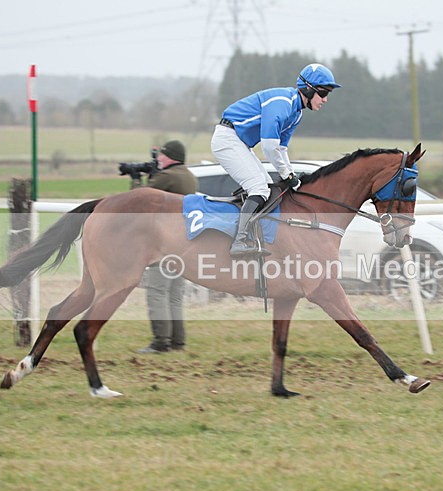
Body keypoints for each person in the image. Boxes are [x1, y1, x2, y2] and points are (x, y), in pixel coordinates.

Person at [211, 63, 342, 255]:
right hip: (227, 138)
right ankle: (238, 242)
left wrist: (290, 174)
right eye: (323, 93)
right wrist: (287, 175)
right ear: (308, 89)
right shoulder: (282, 103)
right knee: (259, 188)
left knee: (266, 187)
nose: (325, 99)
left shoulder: (296, 114)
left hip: (239, 142)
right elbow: (269, 146)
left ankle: (250, 234)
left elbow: (281, 148)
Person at [136, 140, 198, 353]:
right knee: (174, 294)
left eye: (162, 155)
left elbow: (138, 200)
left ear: (171, 157)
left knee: (157, 291)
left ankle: (161, 341)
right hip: (182, 243)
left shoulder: (167, 177)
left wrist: (138, 179)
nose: (159, 159)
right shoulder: (188, 176)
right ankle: (177, 341)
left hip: (163, 243)